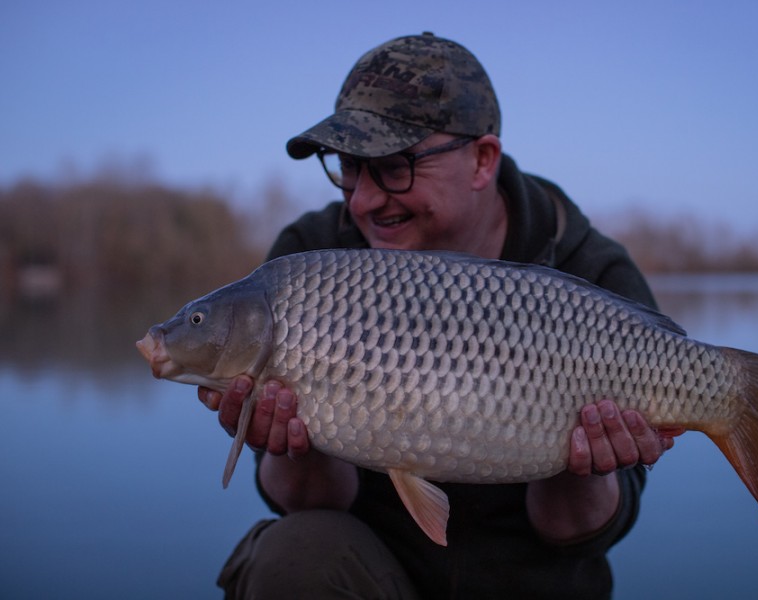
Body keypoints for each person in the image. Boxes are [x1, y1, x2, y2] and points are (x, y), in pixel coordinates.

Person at [202, 32, 677, 599]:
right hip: (372, 577)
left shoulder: (591, 277)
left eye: (396, 166)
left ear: (482, 160)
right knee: (293, 556)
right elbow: (309, 506)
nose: (362, 202)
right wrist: (290, 443)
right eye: (351, 168)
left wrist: (587, 463)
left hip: (535, 586)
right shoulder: (309, 265)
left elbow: (579, 533)